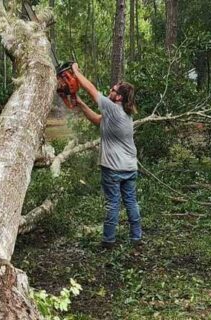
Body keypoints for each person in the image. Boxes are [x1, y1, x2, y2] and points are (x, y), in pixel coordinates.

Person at [70, 63, 143, 249]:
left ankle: (108, 241)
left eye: (113, 90)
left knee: (113, 204)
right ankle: (136, 238)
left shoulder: (113, 108)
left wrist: (76, 72)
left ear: (118, 97)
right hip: (129, 168)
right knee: (131, 202)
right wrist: (79, 102)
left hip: (114, 168)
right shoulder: (122, 113)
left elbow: (92, 89)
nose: (109, 91)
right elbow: (96, 120)